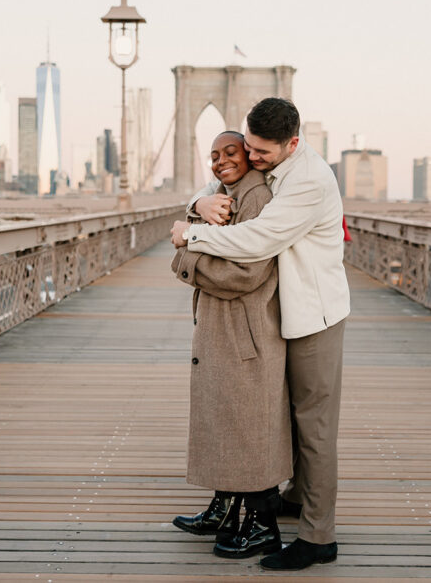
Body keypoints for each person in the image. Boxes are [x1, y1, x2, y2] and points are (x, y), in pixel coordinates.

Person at [171, 97, 349, 571]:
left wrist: (189, 237)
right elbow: (222, 181)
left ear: (292, 143)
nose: (251, 158)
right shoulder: (263, 160)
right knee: (280, 414)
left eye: (261, 153)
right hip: (277, 313)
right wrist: (196, 203)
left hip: (314, 315)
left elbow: (257, 242)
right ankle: (291, 497)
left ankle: (317, 537)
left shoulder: (309, 180)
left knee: (313, 425)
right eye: (248, 146)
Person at [170, 130, 292, 559]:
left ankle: (263, 527)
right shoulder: (222, 197)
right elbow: (181, 247)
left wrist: (189, 260)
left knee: (247, 424)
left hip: (246, 332)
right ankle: (223, 510)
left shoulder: (255, 199)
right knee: (225, 416)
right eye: (213, 154)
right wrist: (192, 225)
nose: (220, 160)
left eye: (230, 152)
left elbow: (246, 274)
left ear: (251, 155)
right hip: (225, 326)